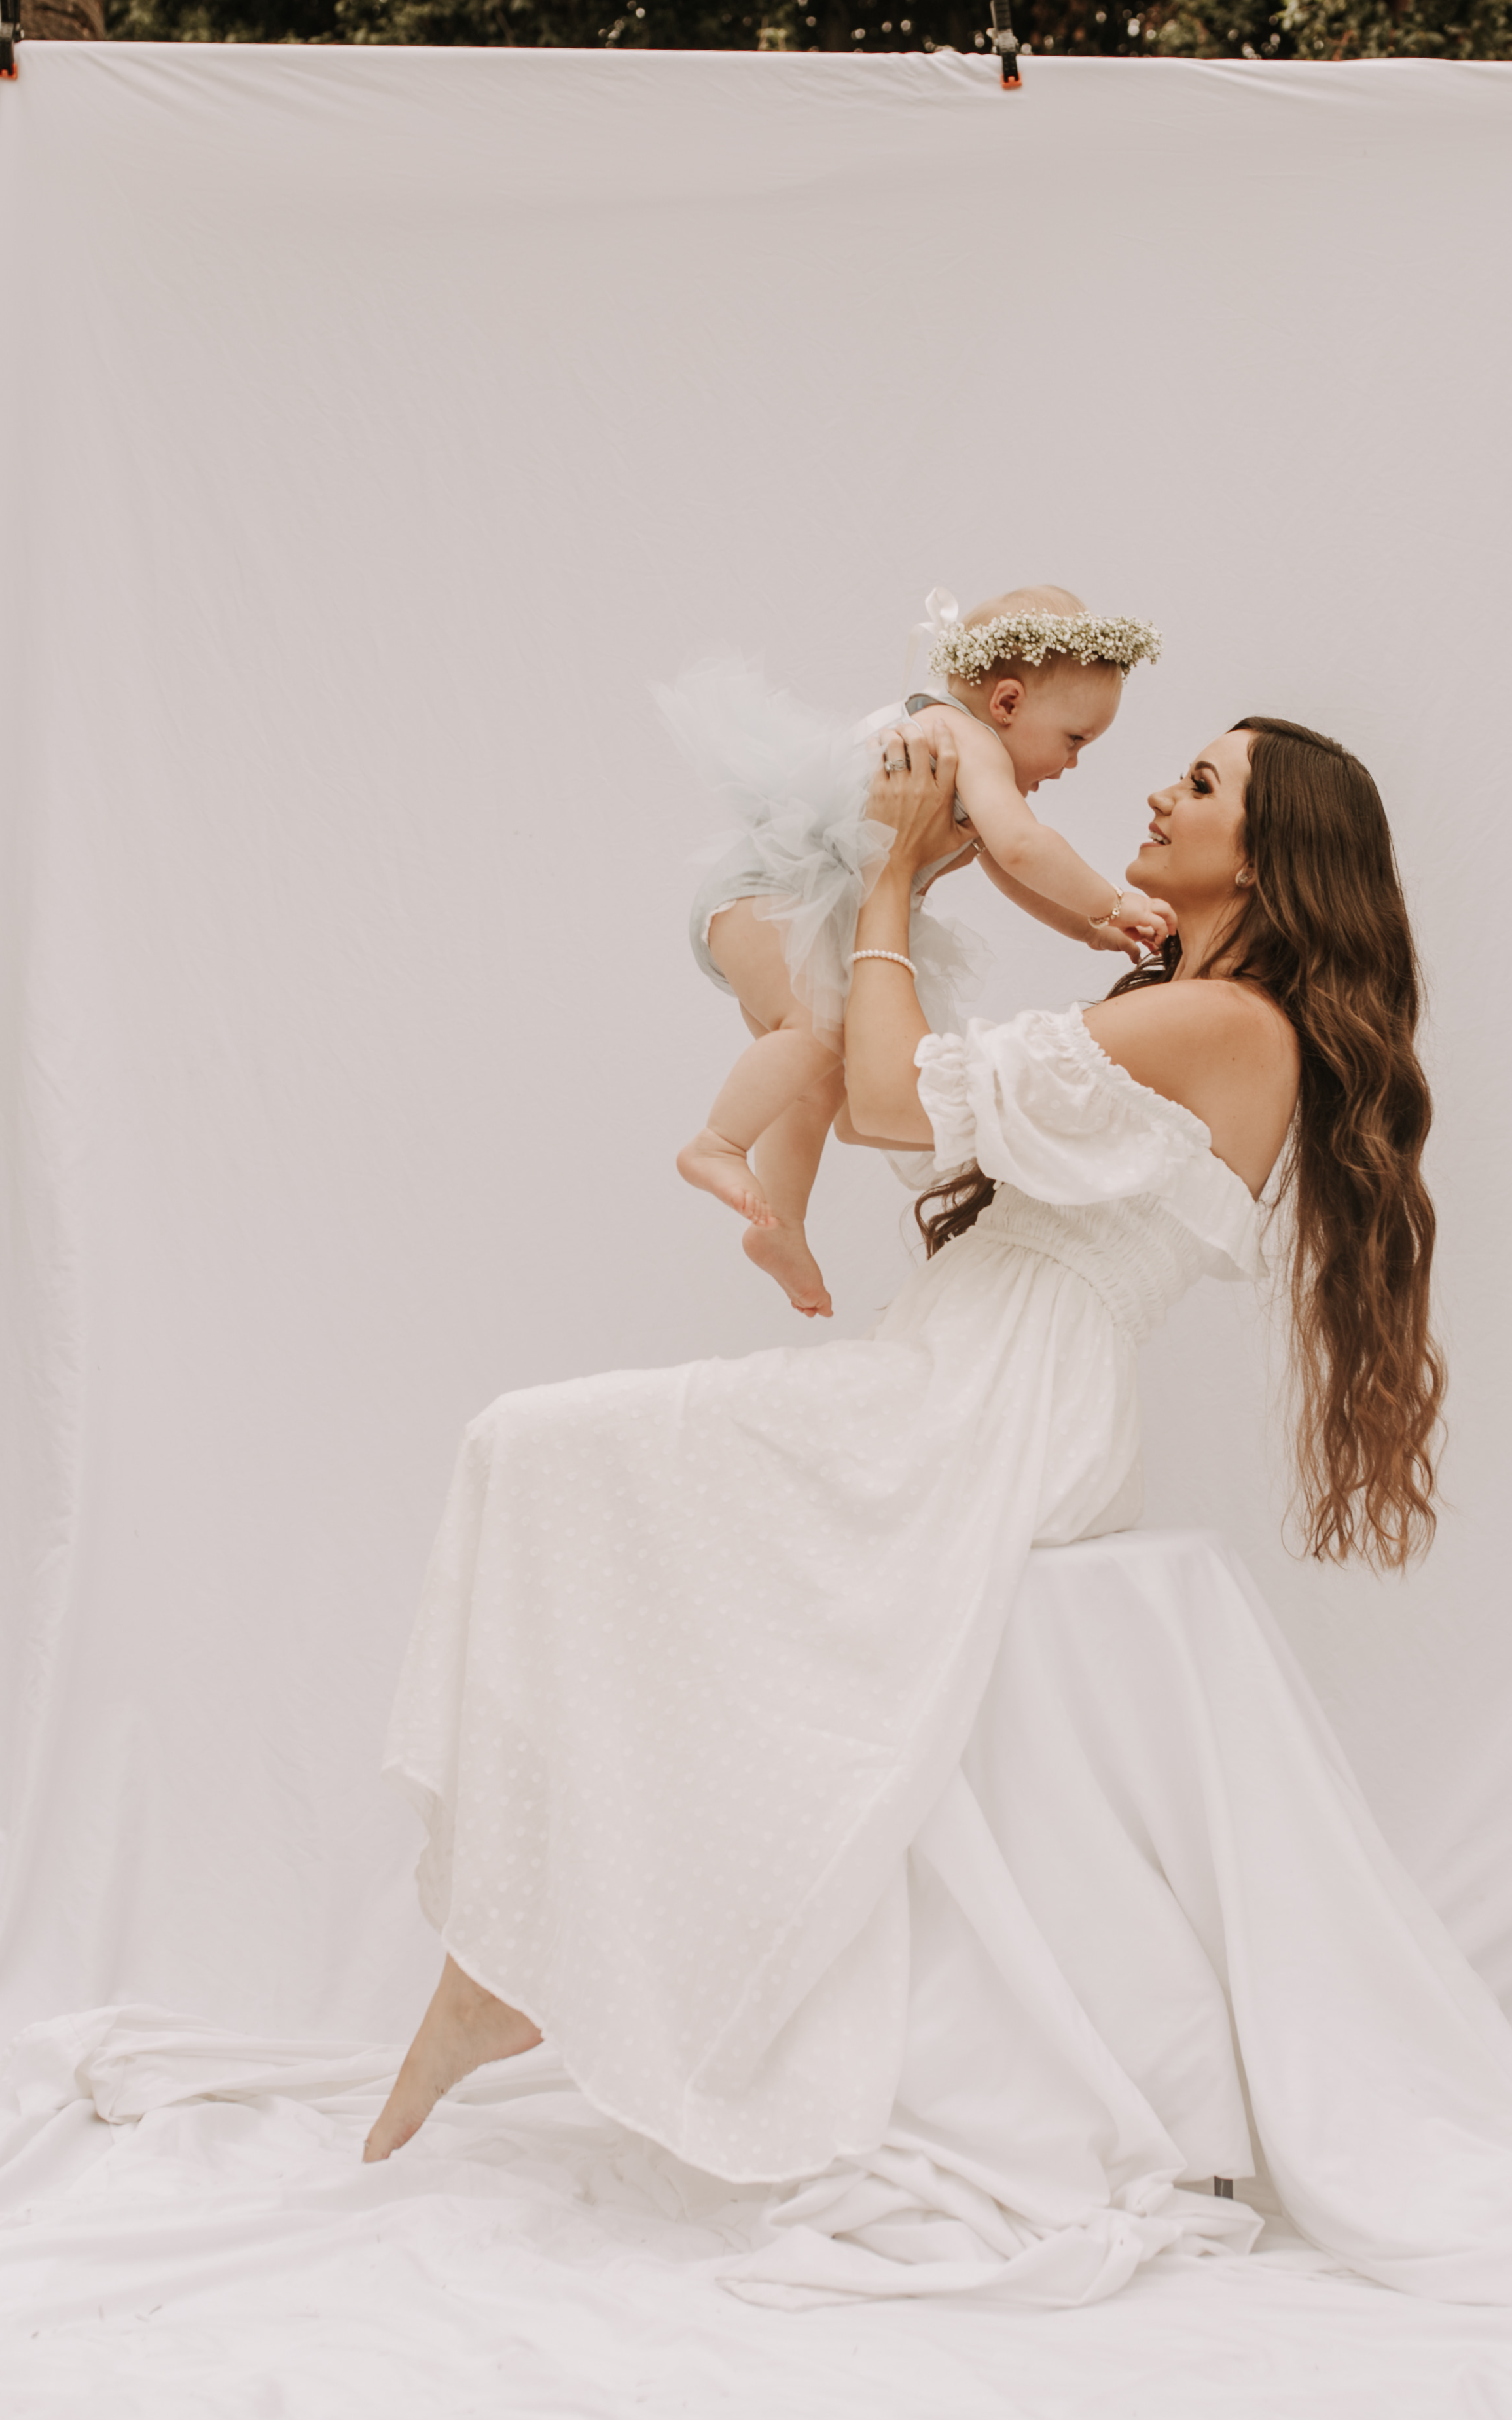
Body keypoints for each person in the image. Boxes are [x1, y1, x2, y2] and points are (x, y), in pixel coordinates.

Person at [363, 709, 1447, 2197]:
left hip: (991, 1408)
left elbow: (890, 1102)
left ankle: (512, 1957)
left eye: (1199, 785)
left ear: (1271, 861)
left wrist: (883, 882)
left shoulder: (1223, 1024)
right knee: (562, 1477)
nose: (1153, 786)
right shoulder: (1189, 1009)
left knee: (530, 1448)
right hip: (966, 1380)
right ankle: (516, 1947)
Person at [662, 585, 1174, 1319]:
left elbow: (1005, 867)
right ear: (1005, 704)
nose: (1074, 764)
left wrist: (1085, 929)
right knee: (814, 1034)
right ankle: (714, 1143)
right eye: (1075, 739)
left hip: (788, 909)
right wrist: (1111, 901)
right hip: (767, 895)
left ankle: (782, 1225)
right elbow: (1026, 848)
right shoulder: (959, 737)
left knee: (817, 1074)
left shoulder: (967, 759)